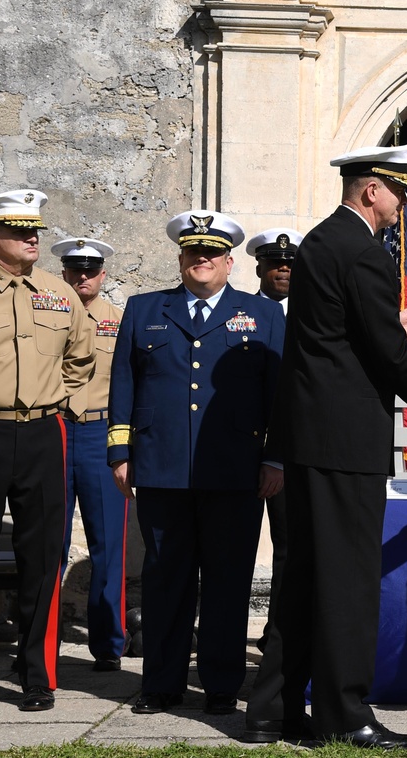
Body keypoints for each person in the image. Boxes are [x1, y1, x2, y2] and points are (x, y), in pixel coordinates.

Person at [244, 144, 407, 749]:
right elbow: (382, 350)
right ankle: (347, 714)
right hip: (345, 438)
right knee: (346, 578)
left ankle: (272, 709)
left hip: (313, 434)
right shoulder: (362, 252)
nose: (403, 207)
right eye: (399, 193)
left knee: (305, 576)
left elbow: (341, 334)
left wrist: (385, 328)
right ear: (371, 188)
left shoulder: (323, 242)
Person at [107, 210, 285, 715]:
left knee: (228, 581)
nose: (201, 259)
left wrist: (275, 458)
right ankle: (161, 684)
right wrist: (121, 452)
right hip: (162, 467)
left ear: (229, 262)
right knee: (166, 579)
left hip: (236, 471)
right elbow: (124, 383)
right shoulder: (145, 310)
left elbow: (281, 396)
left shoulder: (264, 315)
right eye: (192, 252)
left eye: (211, 253)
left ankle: (222, 685)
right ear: (181, 258)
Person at [0, 190, 95, 711]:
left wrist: (59, 400)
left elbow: (82, 356)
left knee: (43, 558)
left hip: (46, 432)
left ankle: (36, 675)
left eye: (36, 230)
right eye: (20, 230)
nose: (33, 238)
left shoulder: (59, 293)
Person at [53, 237, 130, 673]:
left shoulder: (121, 322)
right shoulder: (46, 315)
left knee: (109, 545)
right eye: (74, 269)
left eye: (90, 270)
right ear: (64, 272)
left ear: (103, 275)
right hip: (57, 429)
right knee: (50, 543)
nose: (82, 276)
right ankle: (42, 645)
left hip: (101, 432)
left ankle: (108, 644)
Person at [245, 227, 303, 652]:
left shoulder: (313, 315)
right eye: (275, 262)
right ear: (259, 266)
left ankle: (278, 635)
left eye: (290, 264)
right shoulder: (241, 313)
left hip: (293, 447)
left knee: (289, 547)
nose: (283, 269)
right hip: (243, 447)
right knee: (234, 544)